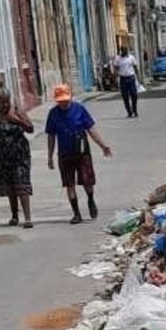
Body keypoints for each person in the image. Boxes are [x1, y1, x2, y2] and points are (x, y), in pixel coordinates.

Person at [46, 83, 112, 224]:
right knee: (69, 184)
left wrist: (103, 146)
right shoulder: (53, 114)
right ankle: (76, 214)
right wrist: (50, 156)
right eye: (60, 101)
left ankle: (90, 199)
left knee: (87, 180)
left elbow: (91, 129)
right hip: (64, 154)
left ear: (71, 97)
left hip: (82, 152)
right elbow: (51, 136)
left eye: (65, 100)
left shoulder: (79, 109)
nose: (63, 103)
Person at [0, 84, 35, 228]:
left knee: (21, 183)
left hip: (19, 153)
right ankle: (14, 216)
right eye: (1, 102)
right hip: (1, 155)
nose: (4, 105)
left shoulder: (17, 111)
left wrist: (15, 120)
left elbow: (30, 128)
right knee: (10, 185)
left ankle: (27, 218)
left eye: (6, 101)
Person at [112, 45, 140, 117]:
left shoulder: (131, 57)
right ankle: (129, 112)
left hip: (131, 78)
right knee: (125, 96)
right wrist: (115, 78)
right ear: (121, 51)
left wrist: (138, 77)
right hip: (123, 79)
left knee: (134, 95)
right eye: (124, 50)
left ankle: (134, 109)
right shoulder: (118, 59)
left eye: (126, 50)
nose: (125, 52)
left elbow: (135, 67)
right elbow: (115, 69)